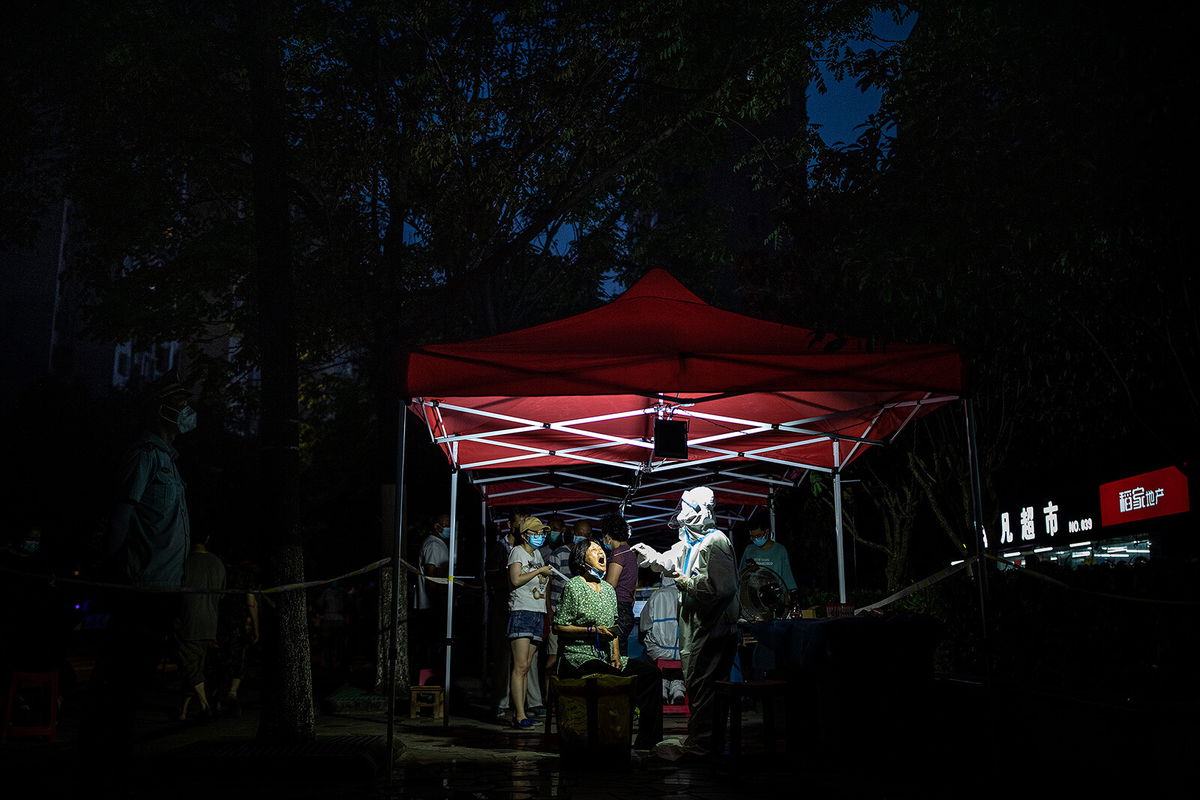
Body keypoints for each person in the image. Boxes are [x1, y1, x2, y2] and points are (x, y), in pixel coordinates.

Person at [78, 373, 197, 786]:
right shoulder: (144, 455)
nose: (189, 413)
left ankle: (116, 748)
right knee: (121, 673)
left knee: (138, 674)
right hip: (139, 587)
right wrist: (109, 572)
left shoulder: (169, 462)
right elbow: (122, 516)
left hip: (164, 588)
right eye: (183, 406)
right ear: (164, 411)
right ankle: (101, 751)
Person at [631, 486, 739, 761]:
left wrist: (682, 579)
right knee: (696, 686)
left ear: (700, 511)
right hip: (695, 628)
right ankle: (701, 740)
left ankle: (704, 746)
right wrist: (653, 556)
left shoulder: (716, 542)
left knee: (706, 688)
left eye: (686, 507)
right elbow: (671, 558)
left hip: (712, 629)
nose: (681, 513)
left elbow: (719, 591)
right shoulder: (691, 542)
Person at [553, 538, 663, 750]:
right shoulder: (574, 586)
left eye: (600, 549)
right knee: (615, 678)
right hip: (578, 657)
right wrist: (591, 631)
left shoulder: (608, 590)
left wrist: (615, 655)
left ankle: (648, 741)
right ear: (581, 559)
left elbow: (612, 627)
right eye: (593, 550)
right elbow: (559, 627)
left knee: (650, 674)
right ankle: (610, 737)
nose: (600, 552)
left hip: (605, 657)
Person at [506, 515, 553, 728]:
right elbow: (515, 579)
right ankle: (519, 715)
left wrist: (544, 574)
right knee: (521, 665)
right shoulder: (517, 552)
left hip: (537, 611)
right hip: (521, 611)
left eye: (542, 532)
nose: (541, 536)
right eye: (536, 532)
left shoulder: (538, 555)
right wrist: (539, 571)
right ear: (525, 535)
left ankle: (522, 712)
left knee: (527, 667)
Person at [175, 535, 226, 720]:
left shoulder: (184, 561)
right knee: (195, 665)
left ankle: (205, 705)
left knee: (190, 667)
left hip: (188, 623)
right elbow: (221, 595)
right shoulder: (217, 563)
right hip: (210, 623)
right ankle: (182, 711)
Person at [543, 518, 582, 683]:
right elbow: (548, 584)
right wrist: (550, 610)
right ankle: (547, 700)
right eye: (580, 534)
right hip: (557, 612)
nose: (582, 537)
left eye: (586, 535)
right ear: (572, 533)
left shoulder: (586, 555)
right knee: (553, 658)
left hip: (576, 616)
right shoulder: (558, 554)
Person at [414, 513, 451, 680]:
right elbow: (431, 575)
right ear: (437, 526)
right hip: (431, 605)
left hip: (433, 604)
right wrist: (437, 601)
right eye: (447, 524)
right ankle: (429, 682)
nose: (450, 528)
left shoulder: (439, 544)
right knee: (432, 645)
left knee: (434, 645)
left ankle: (433, 679)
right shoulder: (434, 545)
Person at [638, 574, 685, 704]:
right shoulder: (686, 595)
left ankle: (663, 686)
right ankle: (678, 687)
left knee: (646, 641)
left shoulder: (657, 595)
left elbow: (643, 625)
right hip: (683, 652)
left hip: (660, 651)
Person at [601, 512, 637, 656]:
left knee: (615, 654)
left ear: (608, 536)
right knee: (621, 652)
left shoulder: (618, 554)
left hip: (618, 609)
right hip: (627, 608)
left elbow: (610, 584)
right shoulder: (631, 552)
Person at [739, 521, 798, 597]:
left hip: (775, 598)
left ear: (766, 532)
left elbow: (787, 578)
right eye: (752, 536)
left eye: (758, 535)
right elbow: (742, 576)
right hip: (753, 599)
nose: (755, 539)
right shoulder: (749, 550)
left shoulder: (780, 550)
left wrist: (791, 598)